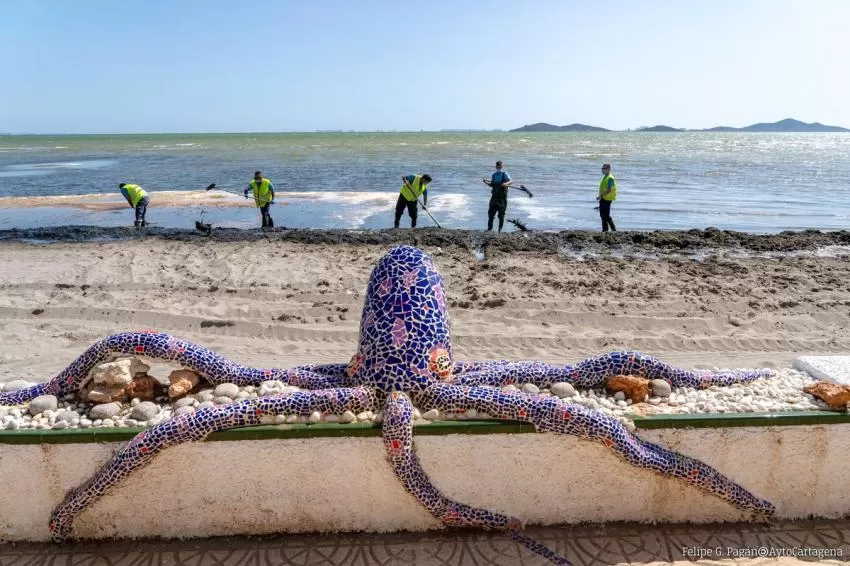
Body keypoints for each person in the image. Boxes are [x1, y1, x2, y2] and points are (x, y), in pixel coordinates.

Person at [482, 160, 512, 232]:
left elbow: (511, 181)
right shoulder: (494, 175)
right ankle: (489, 229)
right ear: (496, 166)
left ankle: (500, 230)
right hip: (494, 197)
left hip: (502, 198)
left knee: (501, 215)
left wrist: (506, 184)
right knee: (491, 214)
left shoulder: (504, 174)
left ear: (502, 166)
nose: (498, 167)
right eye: (497, 166)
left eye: (500, 166)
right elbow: (492, 185)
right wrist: (486, 183)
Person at [597, 163, 617, 232]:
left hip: (607, 199)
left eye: (604, 169)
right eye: (602, 169)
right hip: (603, 198)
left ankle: (606, 230)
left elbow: (609, 189)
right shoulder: (605, 177)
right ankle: (611, 230)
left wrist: (601, 195)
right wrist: (600, 196)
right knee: (604, 216)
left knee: (605, 216)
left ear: (608, 169)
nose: (602, 170)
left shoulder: (610, 178)